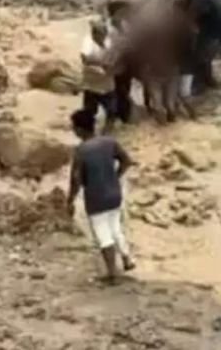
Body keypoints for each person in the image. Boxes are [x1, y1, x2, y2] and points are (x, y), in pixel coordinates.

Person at [67, 109, 135, 283]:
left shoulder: (81, 150)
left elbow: (76, 179)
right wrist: (115, 176)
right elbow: (127, 161)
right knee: (115, 227)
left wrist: (71, 200)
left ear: (79, 130)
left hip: (96, 197)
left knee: (103, 235)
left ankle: (112, 273)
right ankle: (127, 258)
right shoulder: (110, 142)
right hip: (114, 193)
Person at [175, 0, 221, 94]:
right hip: (210, 30)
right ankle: (209, 81)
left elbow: (190, 21)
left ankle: (199, 86)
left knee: (200, 57)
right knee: (204, 57)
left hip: (213, 33)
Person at [80, 19, 116, 132]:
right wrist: (102, 64)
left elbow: (115, 56)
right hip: (92, 83)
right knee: (89, 111)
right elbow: (85, 59)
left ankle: (108, 131)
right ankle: (87, 132)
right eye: (101, 35)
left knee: (112, 110)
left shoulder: (109, 42)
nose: (103, 37)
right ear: (94, 34)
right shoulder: (88, 43)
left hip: (107, 83)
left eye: (104, 34)